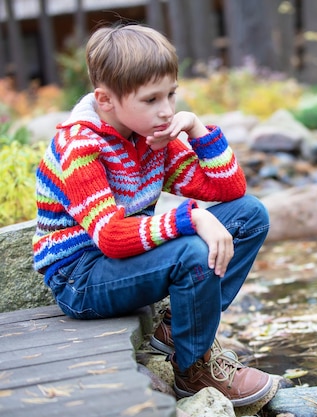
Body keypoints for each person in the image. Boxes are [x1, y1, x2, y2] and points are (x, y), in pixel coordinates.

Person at [32, 23, 274, 407]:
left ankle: (178, 331)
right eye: (150, 100)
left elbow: (229, 190)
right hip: (81, 276)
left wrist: (196, 129)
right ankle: (193, 371)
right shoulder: (79, 144)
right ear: (105, 100)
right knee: (193, 251)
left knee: (251, 216)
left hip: (124, 262)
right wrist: (191, 218)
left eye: (171, 95)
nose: (166, 111)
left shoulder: (152, 135)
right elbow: (110, 236)